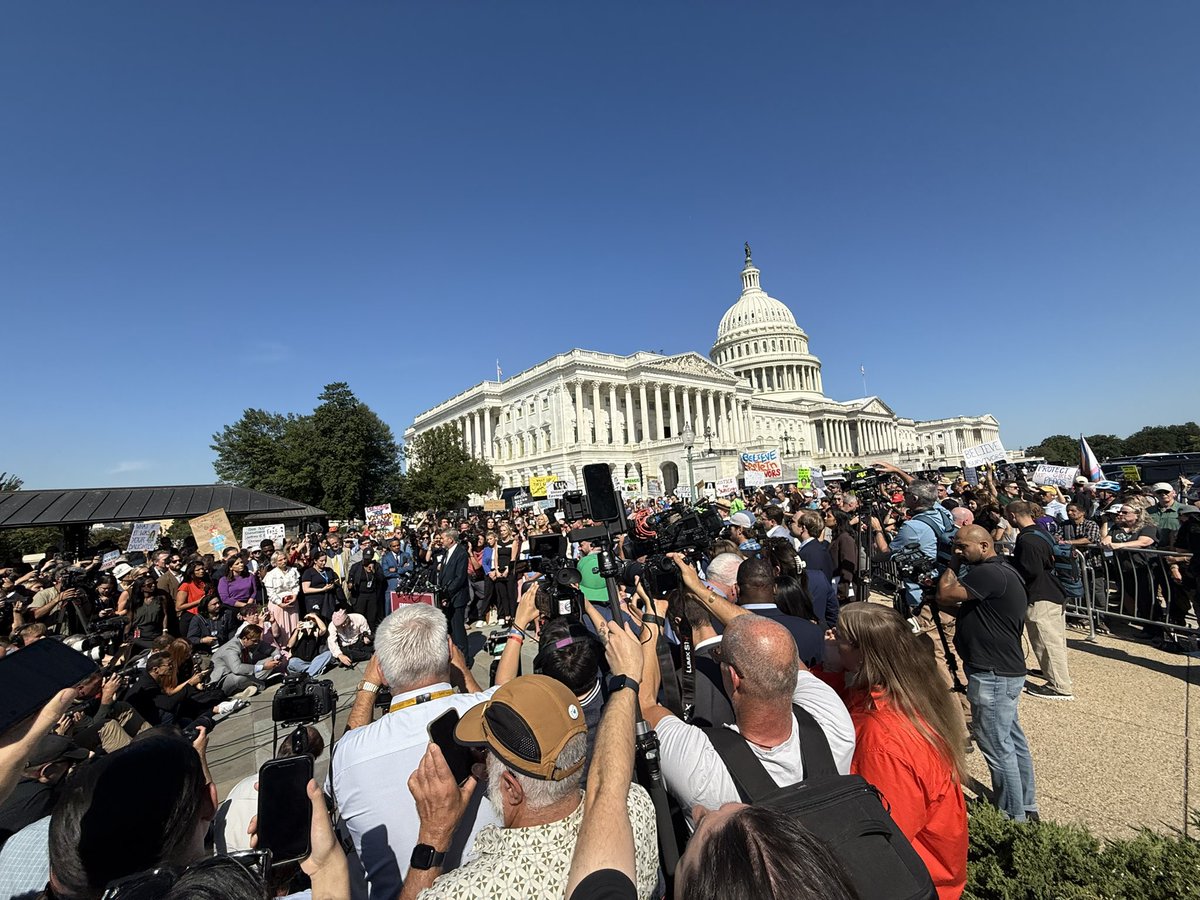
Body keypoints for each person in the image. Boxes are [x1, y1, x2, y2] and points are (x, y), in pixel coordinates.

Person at [400, 674, 659, 900]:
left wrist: (433, 836)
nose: (480, 763)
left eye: (486, 753)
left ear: (512, 789)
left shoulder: (466, 891)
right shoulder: (634, 803)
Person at [639, 561, 855, 826]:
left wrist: (653, 617)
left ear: (732, 677)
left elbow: (645, 704)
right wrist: (700, 590)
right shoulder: (834, 723)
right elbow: (772, 638)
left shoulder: (701, 765)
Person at [331, 603, 498, 900]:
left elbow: (348, 742)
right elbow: (486, 704)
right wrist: (464, 674)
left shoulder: (348, 754)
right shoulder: (495, 712)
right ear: (450, 652)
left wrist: (368, 687)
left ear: (381, 668)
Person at [823, 604, 969, 899]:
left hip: (910, 882)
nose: (829, 638)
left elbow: (884, 836)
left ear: (861, 651)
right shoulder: (902, 693)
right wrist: (831, 668)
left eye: (838, 636)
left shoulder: (883, 741)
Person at [936, 525, 1038, 822]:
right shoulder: (1002, 570)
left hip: (992, 672)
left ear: (984, 546)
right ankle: (1025, 805)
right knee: (1011, 740)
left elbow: (944, 594)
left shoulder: (988, 573)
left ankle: (1011, 815)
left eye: (962, 547)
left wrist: (952, 563)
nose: (958, 551)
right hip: (1003, 669)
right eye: (955, 547)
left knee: (996, 744)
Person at [1007, 501, 1073, 701]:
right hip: (1053, 590)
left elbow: (1030, 571)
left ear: (1013, 515)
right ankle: (1053, 673)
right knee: (1054, 638)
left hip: (1041, 595)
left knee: (1046, 640)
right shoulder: (1040, 532)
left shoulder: (1027, 540)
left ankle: (1059, 686)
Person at [209, 624, 282, 698]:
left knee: (272, 660)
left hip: (246, 673)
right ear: (244, 638)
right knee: (239, 678)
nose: (256, 643)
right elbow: (237, 669)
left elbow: (272, 650)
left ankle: (248, 687)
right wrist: (263, 667)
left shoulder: (252, 642)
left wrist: (277, 657)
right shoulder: (231, 648)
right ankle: (260, 685)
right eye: (254, 641)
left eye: (258, 640)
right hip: (224, 679)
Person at [436, 528, 470, 657]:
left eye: (443, 538)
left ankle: (464, 659)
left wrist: (447, 592)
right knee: (450, 629)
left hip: (457, 597)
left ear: (450, 539)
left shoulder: (461, 553)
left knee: (458, 630)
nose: (441, 540)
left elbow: (459, 577)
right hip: (446, 597)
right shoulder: (446, 553)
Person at [262, 550, 301, 645]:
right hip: (278, 604)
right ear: (275, 562)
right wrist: (280, 603)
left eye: (284, 559)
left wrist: (295, 595)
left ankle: (294, 645)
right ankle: (282, 647)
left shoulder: (293, 571)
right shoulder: (271, 574)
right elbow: (271, 593)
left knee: (293, 625)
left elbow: (295, 586)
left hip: (292, 602)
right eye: (280, 560)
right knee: (281, 627)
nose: (283, 561)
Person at [347, 549, 388, 630]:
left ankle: (370, 635)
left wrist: (374, 572)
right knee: (359, 616)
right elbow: (351, 577)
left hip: (372, 595)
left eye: (368, 558)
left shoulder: (376, 566)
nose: (367, 560)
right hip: (360, 595)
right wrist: (350, 584)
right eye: (365, 558)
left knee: (371, 617)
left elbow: (382, 579)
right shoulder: (356, 566)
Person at [285, 612, 334, 677]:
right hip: (300, 661)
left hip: (313, 661)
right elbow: (289, 645)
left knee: (328, 654)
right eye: (308, 620)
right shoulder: (299, 632)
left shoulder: (316, 631)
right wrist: (297, 630)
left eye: (313, 620)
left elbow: (324, 629)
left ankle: (307, 674)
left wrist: (315, 617)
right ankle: (314, 670)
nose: (310, 621)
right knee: (292, 663)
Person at [301, 552, 340, 622]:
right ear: (315, 561)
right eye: (321, 561)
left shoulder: (329, 570)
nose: (324, 563)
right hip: (315, 600)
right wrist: (322, 589)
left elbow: (334, 580)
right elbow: (305, 589)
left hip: (328, 600)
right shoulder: (309, 572)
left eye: (325, 560)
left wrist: (333, 585)